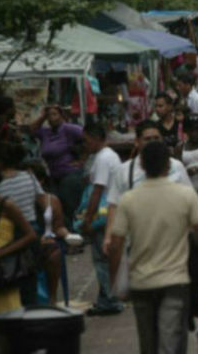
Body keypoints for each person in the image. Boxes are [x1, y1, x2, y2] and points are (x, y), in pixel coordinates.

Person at [109, 141, 198, 354]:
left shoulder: (129, 200)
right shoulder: (186, 195)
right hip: (176, 280)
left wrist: (115, 282)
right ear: (168, 165)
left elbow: (115, 244)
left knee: (147, 343)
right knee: (172, 340)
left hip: (141, 282)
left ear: (142, 166)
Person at [103, 120, 192, 253]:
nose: (152, 142)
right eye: (147, 139)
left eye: (156, 138)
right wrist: (109, 236)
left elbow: (189, 201)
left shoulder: (176, 166)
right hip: (139, 244)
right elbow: (114, 206)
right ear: (137, 142)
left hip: (173, 243)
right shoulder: (124, 171)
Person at [0, 142, 45, 305]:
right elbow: (43, 203)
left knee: (11, 281)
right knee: (30, 280)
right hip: (33, 230)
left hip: (11, 234)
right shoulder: (29, 176)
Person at [81, 123, 124, 316]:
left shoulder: (103, 158)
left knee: (102, 259)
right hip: (108, 213)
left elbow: (97, 192)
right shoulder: (106, 156)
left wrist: (87, 219)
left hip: (104, 216)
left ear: (95, 138)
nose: (85, 144)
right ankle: (105, 298)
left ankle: (110, 299)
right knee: (103, 259)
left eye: (86, 140)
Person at [0, 166, 36, 317]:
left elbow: (30, 235)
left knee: (6, 318)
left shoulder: (6, 206)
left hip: (2, 272)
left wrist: (1, 252)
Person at [25, 161, 77, 305]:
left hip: (48, 241)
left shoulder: (51, 200)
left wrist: (68, 235)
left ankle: (52, 298)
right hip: (28, 242)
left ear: (40, 180)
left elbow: (58, 226)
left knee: (54, 254)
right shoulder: (20, 199)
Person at [29, 105, 83, 186]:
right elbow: (32, 129)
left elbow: (89, 136)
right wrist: (43, 117)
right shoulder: (46, 132)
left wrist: (83, 160)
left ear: (61, 116)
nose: (51, 117)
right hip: (53, 176)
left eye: (54, 114)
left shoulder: (68, 128)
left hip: (69, 174)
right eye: (49, 115)